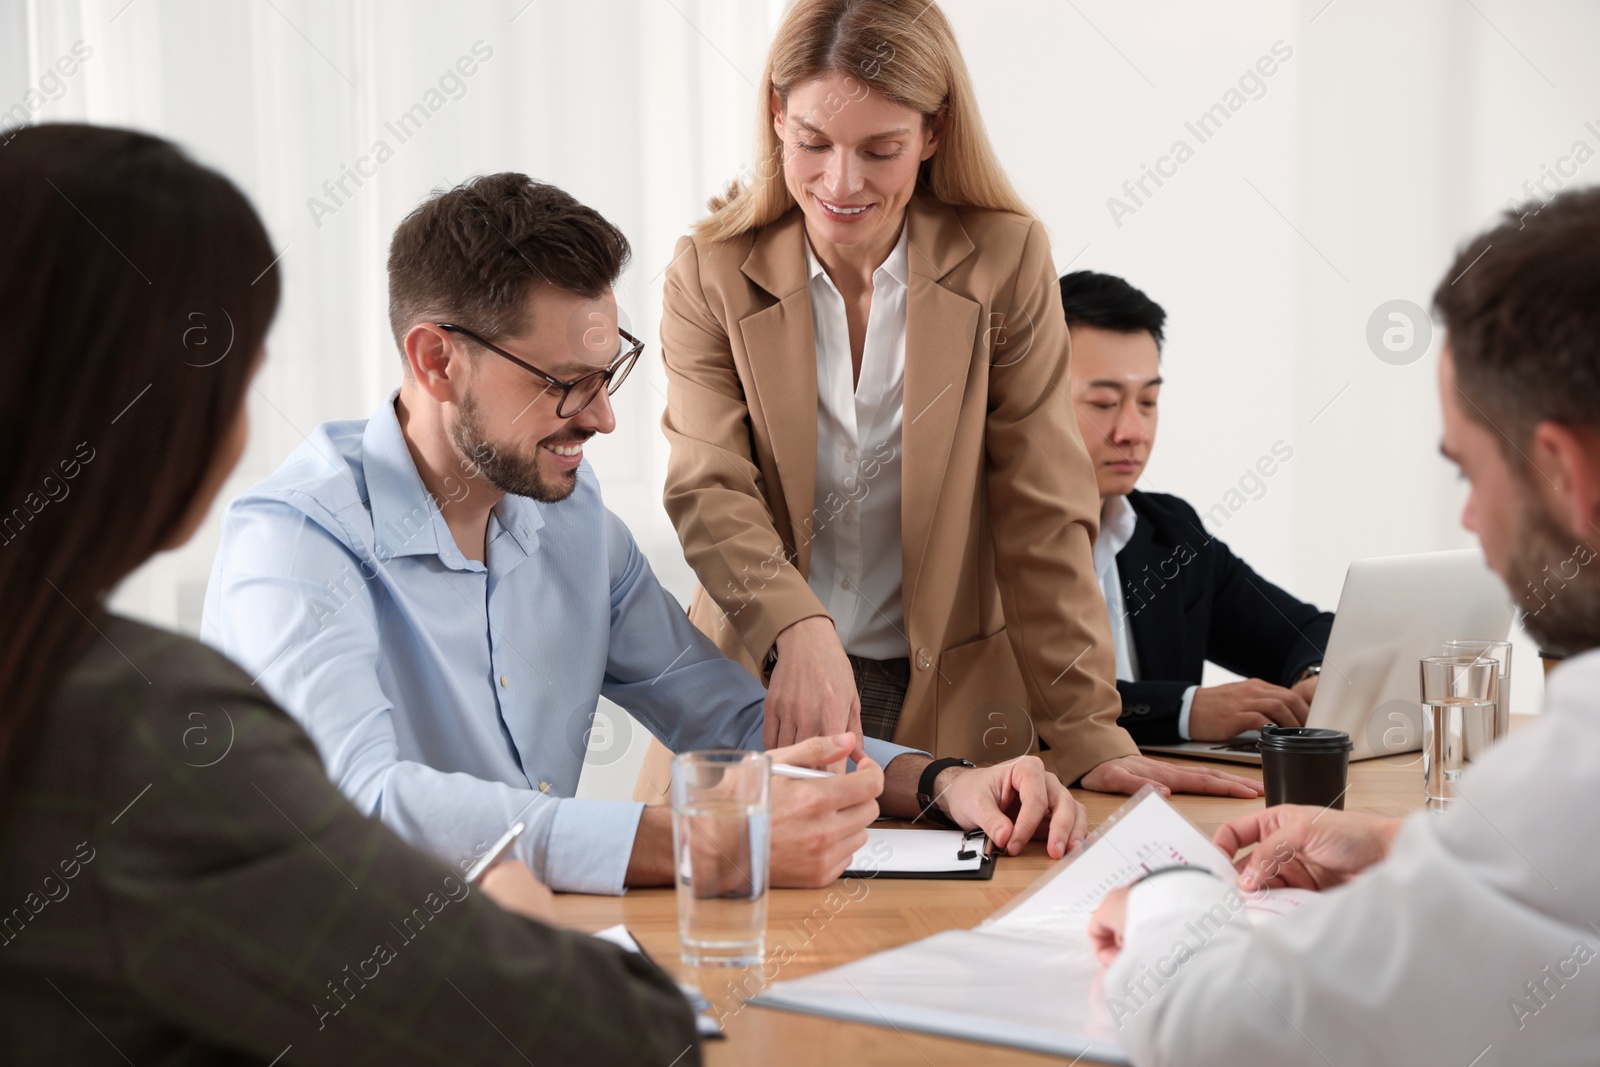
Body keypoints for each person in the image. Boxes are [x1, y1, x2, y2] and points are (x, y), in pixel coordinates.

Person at [0, 124, 696, 1065]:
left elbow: (707, 696)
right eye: (233, 375)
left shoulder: (573, 521)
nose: (603, 415)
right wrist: (518, 899)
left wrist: (919, 776)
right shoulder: (129, 722)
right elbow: (608, 1035)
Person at [201, 171, 1090, 898]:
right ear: (436, 360)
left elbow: (738, 718)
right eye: (564, 383)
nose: (603, 418)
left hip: (523, 960)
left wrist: (944, 782)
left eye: (608, 372)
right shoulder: (294, 547)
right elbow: (364, 804)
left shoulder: (575, 526)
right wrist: (711, 842)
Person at [657, 0, 1260, 803]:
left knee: (950, 920)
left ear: (934, 133)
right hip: (769, 678)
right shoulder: (710, 271)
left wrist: (1088, 731)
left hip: (953, 698)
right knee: (756, 920)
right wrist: (795, 627)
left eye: (881, 150)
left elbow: (1040, 512)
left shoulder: (1005, 261)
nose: (841, 182)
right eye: (812, 143)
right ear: (775, 116)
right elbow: (711, 485)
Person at [1087, 187, 1600, 1064]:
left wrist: (1172, 889)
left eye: (1468, 471)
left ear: (1560, 466)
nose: (1472, 518)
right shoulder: (966, 548)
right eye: (1103, 401)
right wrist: (1404, 840)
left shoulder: (1170, 534)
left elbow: (1222, 1034)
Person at [1060, 271, 1334, 744]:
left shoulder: (1168, 533)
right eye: (1104, 402)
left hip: (1168, 806)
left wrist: (1314, 675)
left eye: (1148, 401)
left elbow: (1306, 630)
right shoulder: (980, 536)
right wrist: (1183, 710)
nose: (1133, 430)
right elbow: (1026, 699)